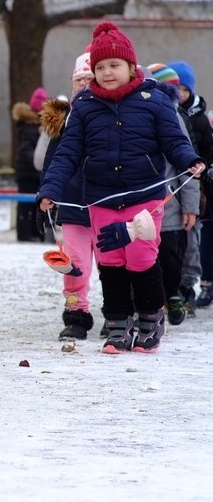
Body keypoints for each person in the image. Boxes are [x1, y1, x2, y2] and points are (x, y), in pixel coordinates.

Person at [38, 21, 204, 354]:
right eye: (100, 67)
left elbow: (173, 140)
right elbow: (67, 152)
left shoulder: (154, 100)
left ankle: (150, 318)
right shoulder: (84, 106)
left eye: (114, 65)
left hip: (144, 197)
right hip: (101, 198)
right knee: (111, 261)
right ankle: (117, 323)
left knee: (141, 257)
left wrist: (190, 160)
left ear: (130, 66)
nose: (107, 72)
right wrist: (51, 188)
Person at [36, 51, 96, 340]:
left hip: (108, 205)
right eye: (78, 80)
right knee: (74, 264)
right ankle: (76, 314)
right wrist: (46, 193)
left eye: (89, 79)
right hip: (73, 206)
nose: (83, 85)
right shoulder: (65, 122)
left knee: (113, 264)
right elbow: (52, 162)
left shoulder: (113, 118)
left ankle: (119, 312)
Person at [147, 63, 199, 326]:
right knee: (140, 256)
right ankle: (143, 303)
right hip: (138, 201)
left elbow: (186, 164)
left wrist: (190, 206)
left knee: (170, 254)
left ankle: (173, 293)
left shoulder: (173, 116)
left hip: (169, 202)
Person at [168, 61, 213, 311]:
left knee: (192, 236)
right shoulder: (165, 113)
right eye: (177, 89)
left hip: (195, 179)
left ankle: (189, 284)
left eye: (185, 89)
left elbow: (206, 148)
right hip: (172, 181)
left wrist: (205, 169)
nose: (181, 94)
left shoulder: (198, 118)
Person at [12, 87, 47, 241]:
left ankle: (35, 233)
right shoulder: (29, 127)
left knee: (35, 205)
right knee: (25, 205)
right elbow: (26, 149)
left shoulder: (39, 126)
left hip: (36, 172)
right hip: (27, 172)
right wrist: (38, 160)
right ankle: (24, 234)